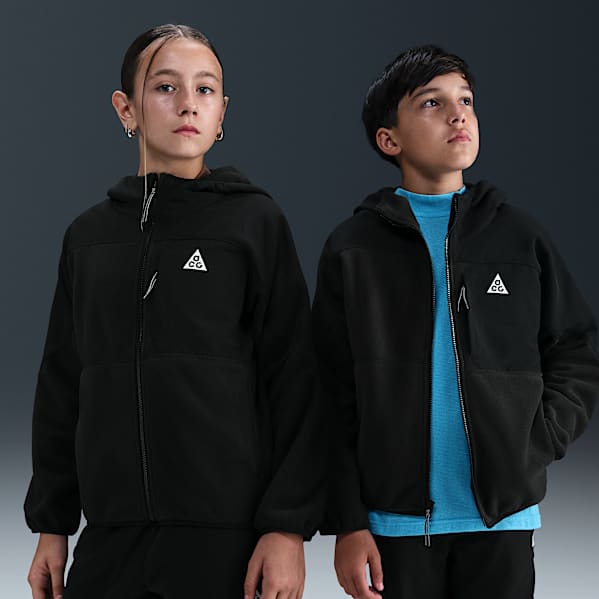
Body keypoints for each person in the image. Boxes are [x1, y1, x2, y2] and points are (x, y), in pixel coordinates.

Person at [25, 23, 323, 599]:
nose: (188, 103)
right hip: (111, 539)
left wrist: (286, 527)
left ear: (222, 112)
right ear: (126, 109)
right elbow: (62, 386)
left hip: (224, 539)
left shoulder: (254, 224)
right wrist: (52, 525)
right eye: (165, 87)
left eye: (205, 89)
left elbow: (295, 380)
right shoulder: (88, 237)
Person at [312, 45, 599, 598]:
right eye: (431, 103)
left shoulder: (519, 236)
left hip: (502, 520)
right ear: (389, 140)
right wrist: (348, 521)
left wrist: (535, 439)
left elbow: (576, 349)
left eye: (465, 101)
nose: (457, 115)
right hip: (395, 525)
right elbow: (329, 391)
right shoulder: (353, 248)